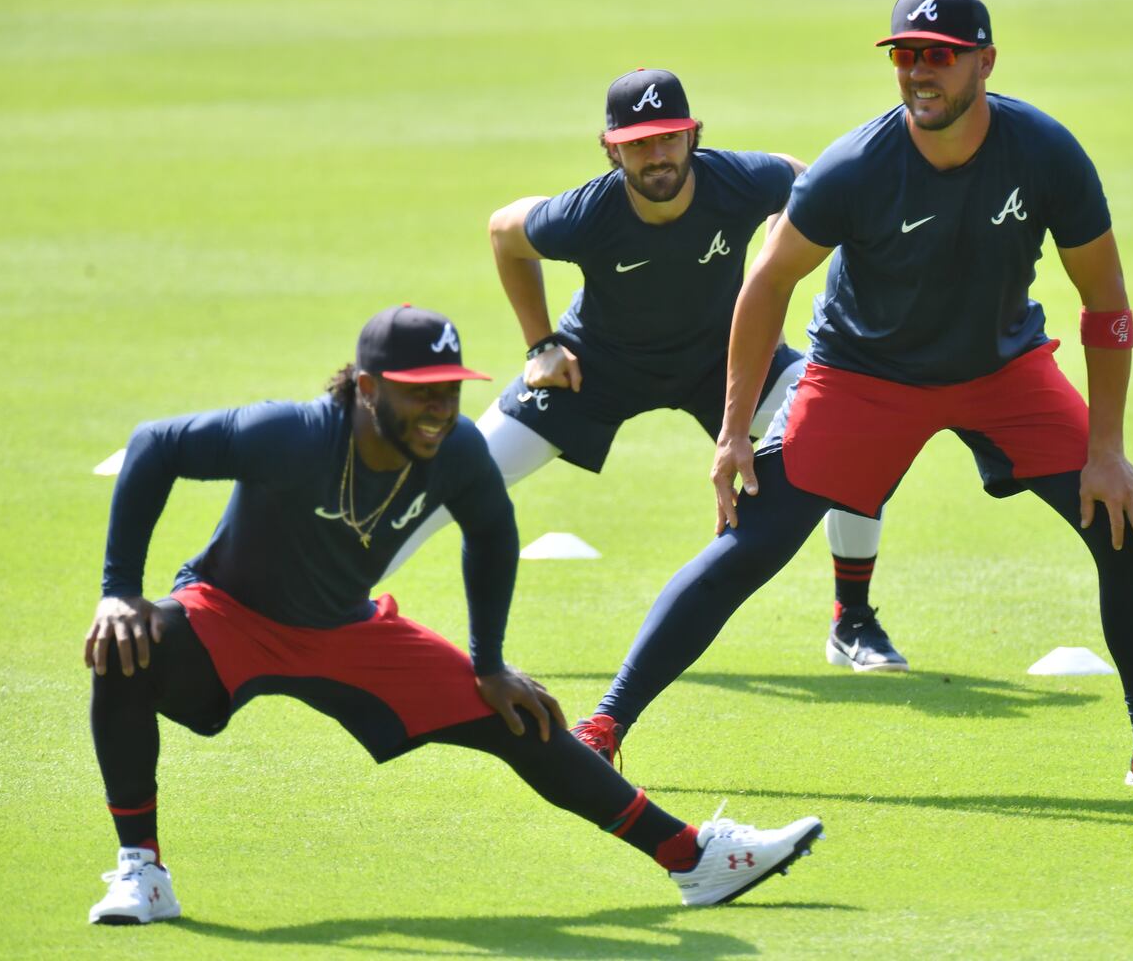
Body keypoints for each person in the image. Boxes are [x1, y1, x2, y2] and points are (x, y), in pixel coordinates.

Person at [574, 0, 1133, 793]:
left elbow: (1107, 303)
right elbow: (766, 284)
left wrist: (1108, 449)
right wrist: (734, 431)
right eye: (907, 55)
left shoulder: (1045, 152)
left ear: (985, 62)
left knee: (1123, 523)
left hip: (1002, 372)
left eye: (940, 57)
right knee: (753, 541)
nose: (920, 72)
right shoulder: (857, 166)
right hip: (864, 377)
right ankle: (603, 726)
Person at [82, 304, 822, 925]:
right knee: (123, 646)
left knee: (519, 713)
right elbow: (155, 446)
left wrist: (489, 664)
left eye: (449, 389)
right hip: (230, 615)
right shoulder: (292, 434)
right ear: (367, 387)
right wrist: (119, 590)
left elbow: (492, 536)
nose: (438, 409)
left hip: (348, 629)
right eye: (418, 392)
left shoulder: (457, 450)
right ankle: (142, 870)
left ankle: (693, 859)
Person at [384, 70, 911, 755]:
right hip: (595, 368)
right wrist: (540, 344)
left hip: (722, 362)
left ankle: (853, 621)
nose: (656, 156)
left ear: (693, 137)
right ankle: (338, 604)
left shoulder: (739, 180)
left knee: (848, 433)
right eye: (637, 144)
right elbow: (503, 232)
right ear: (611, 150)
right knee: (456, 476)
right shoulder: (583, 215)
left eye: (668, 139)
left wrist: (773, 267)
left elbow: (801, 181)